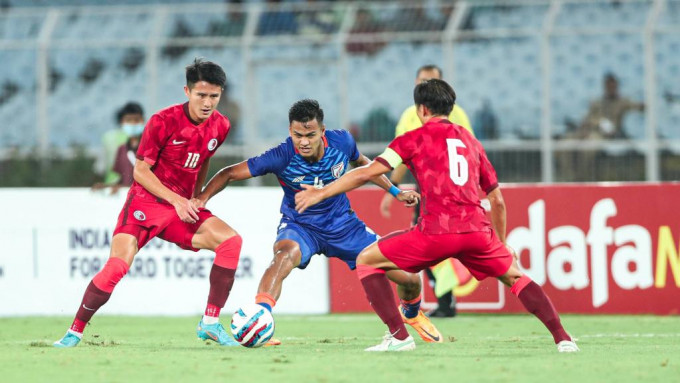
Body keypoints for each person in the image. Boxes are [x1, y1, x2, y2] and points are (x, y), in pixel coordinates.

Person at [295, 79, 579, 353]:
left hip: (435, 233)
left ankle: (398, 337)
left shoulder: (412, 139)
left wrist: (321, 193)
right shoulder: (471, 142)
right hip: (477, 233)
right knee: (515, 277)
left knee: (366, 260)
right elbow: (497, 200)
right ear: (450, 109)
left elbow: (369, 171)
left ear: (421, 110)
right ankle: (563, 339)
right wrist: (502, 243)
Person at [195, 99, 443, 345]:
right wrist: (203, 197)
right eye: (297, 135)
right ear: (290, 131)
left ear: (322, 132)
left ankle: (411, 313)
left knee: (410, 279)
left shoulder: (342, 142)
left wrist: (395, 192)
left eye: (310, 135)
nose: (303, 141)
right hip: (300, 226)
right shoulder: (281, 155)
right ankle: (261, 318)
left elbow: (364, 166)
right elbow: (229, 173)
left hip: (344, 226)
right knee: (283, 256)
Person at [54, 58, 243, 347]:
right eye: (201, 95)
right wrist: (178, 200)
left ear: (221, 95)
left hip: (180, 206)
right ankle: (75, 330)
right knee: (116, 268)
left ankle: (210, 323)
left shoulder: (221, 125)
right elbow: (141, 171)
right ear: (187, 91)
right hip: (146, 202)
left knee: (231, 242)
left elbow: (203, 159)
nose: (207, 103)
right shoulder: (162, 121)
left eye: (214, 96)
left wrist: (197, 196)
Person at [380, 64, 474, 318]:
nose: (426, 84)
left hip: (453, 191)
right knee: (434, 244)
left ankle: (438, 301)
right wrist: (392, 190)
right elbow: (399, 158)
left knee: (431, 243)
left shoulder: (457, 114)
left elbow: (470, 153)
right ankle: (445, 300)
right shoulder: (409, 115)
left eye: (432, 80)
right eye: (422, 80)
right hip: (426, 189)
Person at [558, 73, 645, 181]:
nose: (611, 88)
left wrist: (644, 105)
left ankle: (582, 179)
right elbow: (587, 118)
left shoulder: (622, 102)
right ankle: (568, 177)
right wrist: (586, 127)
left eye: (613, 85)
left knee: (588, 147)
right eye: (608, 85)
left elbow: (637, 106)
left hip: (602, 134)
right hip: (586, 130)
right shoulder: (597, 102)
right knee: (566, 144)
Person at [92, 102, 145, 194]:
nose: (132, 123)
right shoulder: (147, 139)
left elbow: (100, 169)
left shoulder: (109, 138)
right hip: (124, 192)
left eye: (135, 120)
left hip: (116, 192)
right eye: (129, 120)